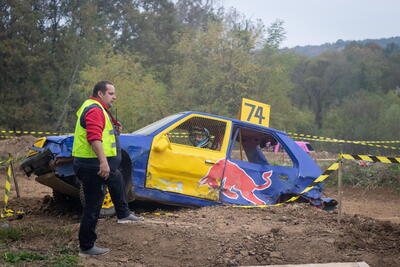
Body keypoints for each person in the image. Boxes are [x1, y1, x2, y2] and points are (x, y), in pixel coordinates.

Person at [72, 81, 143, 257]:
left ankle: (123, 214)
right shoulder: (95, 109)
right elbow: (94, 137)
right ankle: (86, 247)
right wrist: (103, 162)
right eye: (111, 93)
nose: (114, 96)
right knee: (93, 206)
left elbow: (102, 130)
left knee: (116, 178)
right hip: (92, 165)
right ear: (100, 93)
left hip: (93, 163)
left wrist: (114, 125)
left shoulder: (98, 108)